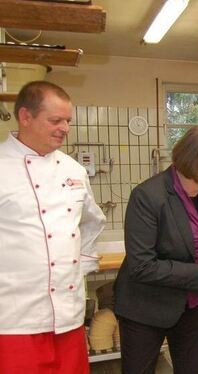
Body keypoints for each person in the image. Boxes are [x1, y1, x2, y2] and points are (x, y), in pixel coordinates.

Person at [114, 125, 198, 373]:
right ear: (197, 164)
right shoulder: (148, 196)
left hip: (193, 306)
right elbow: (142, 266)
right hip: (146, 307)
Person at [0, 81, 106, 373]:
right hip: (13, 319)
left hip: (68, 314)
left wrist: (80, 265)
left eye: (68, 121)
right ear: (25, 117)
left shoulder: (73, 170)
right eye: (55, 120)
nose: (65, 128)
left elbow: (92, 221)